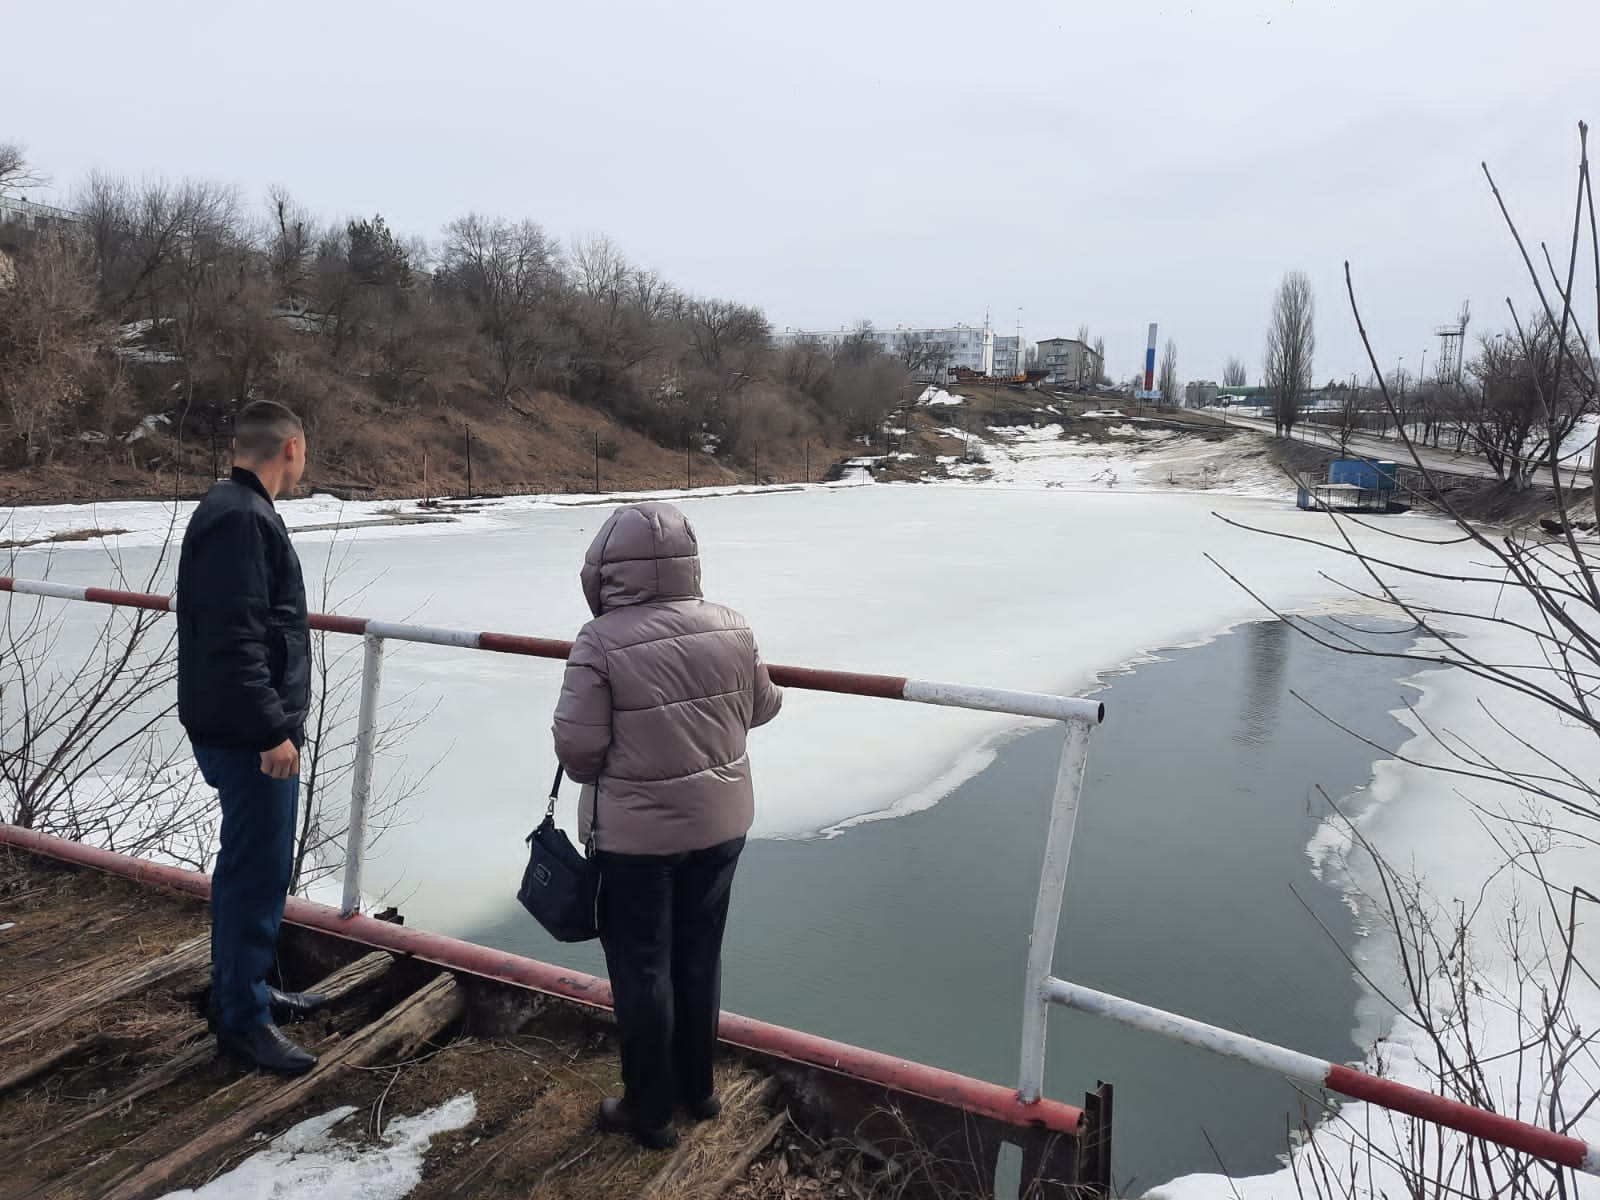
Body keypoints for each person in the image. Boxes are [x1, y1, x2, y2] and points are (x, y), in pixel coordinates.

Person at [553, 501, 783, 1149]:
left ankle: (649, 1111)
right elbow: (764, 707)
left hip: (635, 841)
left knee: (642, 967)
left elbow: (578, 751)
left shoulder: (598, 642)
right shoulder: (733, 626)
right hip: (721, 825)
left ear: (603, 570)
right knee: (698, 955)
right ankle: (698, 1091)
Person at [177, 399, 325, 1076]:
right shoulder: (240, 519)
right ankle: (242, 1021)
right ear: (290, 447)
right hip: (248, 734)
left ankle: (250, 990)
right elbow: (237, 638)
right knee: (254, 870)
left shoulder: (235, 509)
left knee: (254, 868)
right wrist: (272, 730)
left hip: (236, 724)